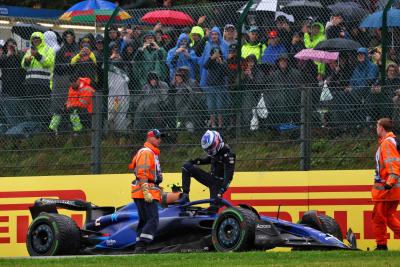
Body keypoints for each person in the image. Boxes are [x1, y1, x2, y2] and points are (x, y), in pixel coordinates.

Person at [178, 130, 236, 212]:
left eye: (211, 147)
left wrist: (220, 192)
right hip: (210, 178)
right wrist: (194, 161)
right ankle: (185, 195)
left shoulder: (228, 155)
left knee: (212, 211)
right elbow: (208, 159)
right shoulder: (215, 151)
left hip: (218, 184)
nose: (210, 150)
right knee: (186, 167)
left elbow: (229, 177)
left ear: (217, 140)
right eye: (208, 149)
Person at [129, 129, 165, 253]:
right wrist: (145, 191)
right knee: (153, 219)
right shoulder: (146, 152)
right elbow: (142, 172)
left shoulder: (151, 152)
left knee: (144, 220)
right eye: (157, 137)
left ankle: (139, 248)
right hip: (145, 190)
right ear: (149, 138)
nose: (159, 139)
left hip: (143, 190)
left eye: (160, 137)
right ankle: (142, 245)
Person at [372, 118, 400, 250]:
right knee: (387, 217)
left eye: (377, 126)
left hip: (387, 189)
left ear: (381, 128)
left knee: (379, 218)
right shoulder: (388, 142)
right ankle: (381, 245)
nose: (376, 128)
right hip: (389, 189)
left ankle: (381, 245)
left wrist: (389, 183)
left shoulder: (387, 143)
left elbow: (393, 164)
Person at [21, 32, 55, 126]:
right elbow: (23, 65)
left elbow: (49, 63)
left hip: (43, 83)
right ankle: (34, 128)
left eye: (37, 38)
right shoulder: (29, 50)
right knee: (32, 108)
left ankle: (43, 128)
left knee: (43, 108)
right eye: (33, 39)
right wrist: (27, 61)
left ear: (41, 39)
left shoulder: (49, 49)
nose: (35, 40)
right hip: (30, 83)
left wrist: (37, 55)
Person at [49, 29, 78, 133]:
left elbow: (78, 66)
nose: (69, 38)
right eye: (67, 36)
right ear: (64, 38)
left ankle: (77, 130)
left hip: (73, 81)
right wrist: (68, 65)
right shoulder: (61, 50)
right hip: (61, 82)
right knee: (58, 108)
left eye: (71, 36)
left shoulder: (77, 49)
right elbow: (57, 67)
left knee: (72, 108)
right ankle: (53, 130)